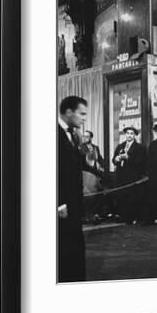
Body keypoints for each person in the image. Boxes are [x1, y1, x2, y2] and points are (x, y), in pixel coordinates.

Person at [58, 96, 88, 282]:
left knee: (74, 247)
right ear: (69, 112)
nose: (84, 118)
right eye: (81, 113)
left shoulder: (74, 136)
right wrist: (59, 203)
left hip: (74, 204)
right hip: (62, 207)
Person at [112, 126, 147, 223]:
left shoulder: (140, 148)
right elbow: (114, 159)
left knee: (132, 197)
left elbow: (141, 162)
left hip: (132, 177)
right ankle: (123, 216)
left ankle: (131, 217)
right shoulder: (120, 146)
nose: (129, 135)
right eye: (127, 133)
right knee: (122, 197)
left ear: (135, 135)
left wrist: (128, 158)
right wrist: (116, 159)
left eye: (131, 134)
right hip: (121, 176)